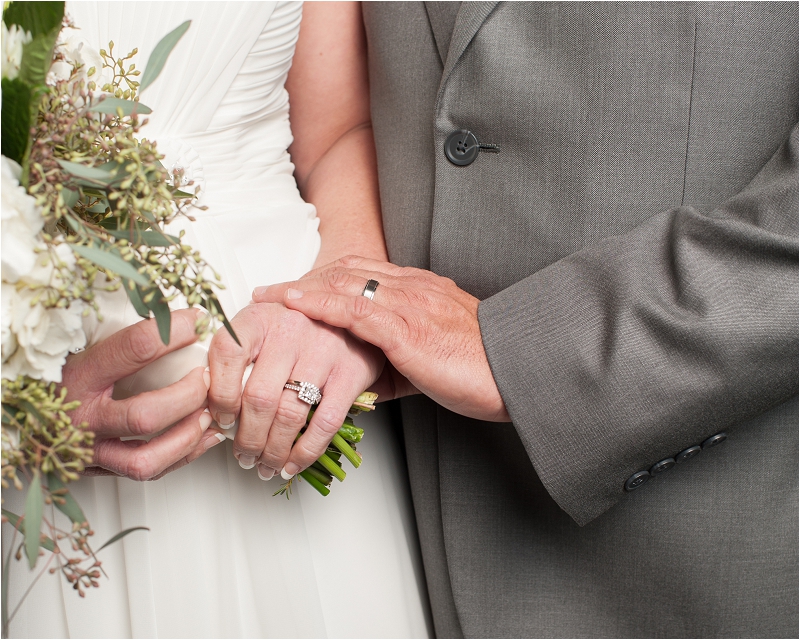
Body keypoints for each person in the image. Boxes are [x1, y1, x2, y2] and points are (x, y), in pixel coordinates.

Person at [246, 2, 799, 637]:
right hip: (395, 508)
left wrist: (529, 354)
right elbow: (346, 112)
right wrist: (349, 297)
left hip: (712, 540)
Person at [2, 2, 431, 638]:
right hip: (51, 426)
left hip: (296, 353)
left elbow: (339, 129)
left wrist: (341, 309)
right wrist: (18, 407)